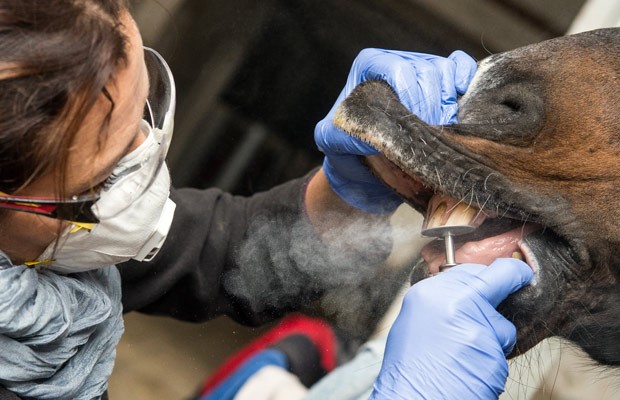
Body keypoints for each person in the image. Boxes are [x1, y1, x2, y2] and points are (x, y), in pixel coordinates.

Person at [0, 1, 533, 399]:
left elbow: (216, 251)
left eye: (145, 111)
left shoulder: (52, 254)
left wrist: (351, 189)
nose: (146, 155)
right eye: (110, 165)